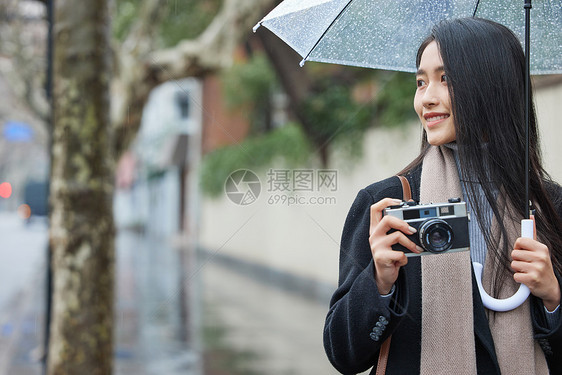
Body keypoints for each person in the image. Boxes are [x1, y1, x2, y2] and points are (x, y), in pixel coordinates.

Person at [323, 18, 562, 375]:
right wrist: (379, 282)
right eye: (421, 82)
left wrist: (554, 298)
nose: (426, 98)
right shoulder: (389, 204)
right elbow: (343, 354)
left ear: (492, 84)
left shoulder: (548, 207)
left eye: (445, 79)